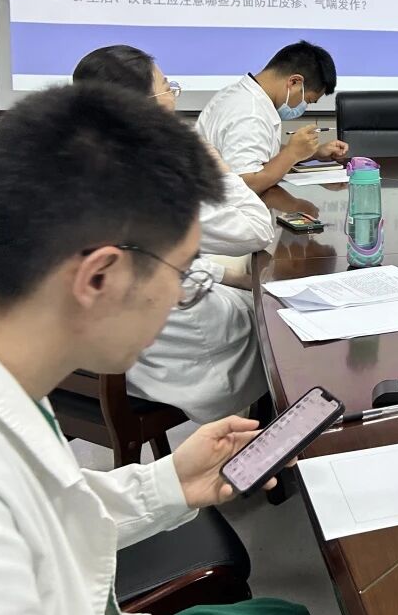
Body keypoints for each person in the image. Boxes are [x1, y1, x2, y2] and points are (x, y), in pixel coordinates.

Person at [0, 83, 326, 615]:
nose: (179, 295)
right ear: (100, 277)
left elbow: (54, 505)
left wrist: (171, 480)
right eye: (180, 272)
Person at [72, 46, 269, 422]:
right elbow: (257, 230)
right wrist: (221, 170)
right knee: (277, 327)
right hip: (175, 357)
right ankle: (276, 439)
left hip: (102, 349)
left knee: (252, 294)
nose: (172, 96)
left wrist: (230, 276)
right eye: (166, 87)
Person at [197, 41, 349, 193]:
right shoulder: (250, 113)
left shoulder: (240, 95)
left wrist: (313, 153)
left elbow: (263, 152)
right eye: (307, 100)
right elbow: (247, 185)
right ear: (294, 82)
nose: (304, 107)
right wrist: (292, 153)